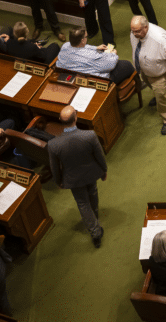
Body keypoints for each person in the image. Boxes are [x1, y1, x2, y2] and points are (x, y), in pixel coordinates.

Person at [47, 105, 107, 246]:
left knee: (82, 203)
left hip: (73, 179)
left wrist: (58, 181)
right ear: (76, 117)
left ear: (60, 120)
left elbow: (54, 167)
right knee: (93, 193)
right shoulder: (89, 135)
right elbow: (100, 156)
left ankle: (95, 231)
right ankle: (95, 219)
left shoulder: (53, 144)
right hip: (91, 173)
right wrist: (104, 170)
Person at [131, 16, 166, 135]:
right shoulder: (134, 33)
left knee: (161, 98)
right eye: (132, 31)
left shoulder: (160, 39)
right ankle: (163, 93)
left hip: (159, 74)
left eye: (137, 31)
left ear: (146, 27)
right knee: (153, 88)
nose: (134, 34)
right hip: (144, 71)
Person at [57, 28, 134, 84]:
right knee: (126, 64)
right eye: (86, 37)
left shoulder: (65, 46)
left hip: (71, 77)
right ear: (82, 40)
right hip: (96, 82)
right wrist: (113, 54)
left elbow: (83, 47)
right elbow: (110, 65)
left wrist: (95, 48)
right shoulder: (91, 56)